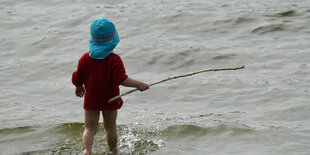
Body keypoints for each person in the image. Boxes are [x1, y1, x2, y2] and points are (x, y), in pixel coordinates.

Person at [72, 17, 149, 155]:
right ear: (112, 41)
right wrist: (139, 84)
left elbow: (77, 77)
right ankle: (113, 152)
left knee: (89, 129)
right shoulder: (114, 60)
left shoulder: (85, 59)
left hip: (91, 100)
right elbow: (121, 79)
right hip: (110, 99)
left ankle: (86, 151)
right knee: (110, 128)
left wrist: (78, 86)